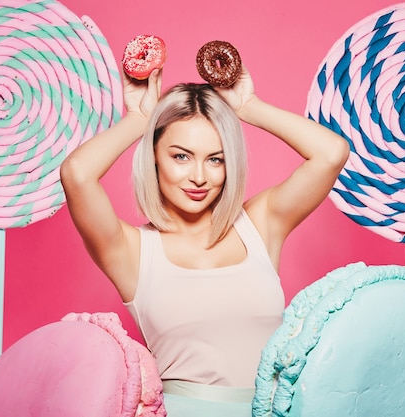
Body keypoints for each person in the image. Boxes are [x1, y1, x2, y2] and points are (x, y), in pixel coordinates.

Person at [60, 62, 349, 416]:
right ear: (154, 155)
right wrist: (140, 119)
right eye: (181, 156)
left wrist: (248, 106)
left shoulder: (259, 225)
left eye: (215, 159)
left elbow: (331, 153)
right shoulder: (130, 249)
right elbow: (77, 174)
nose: (198, 176)